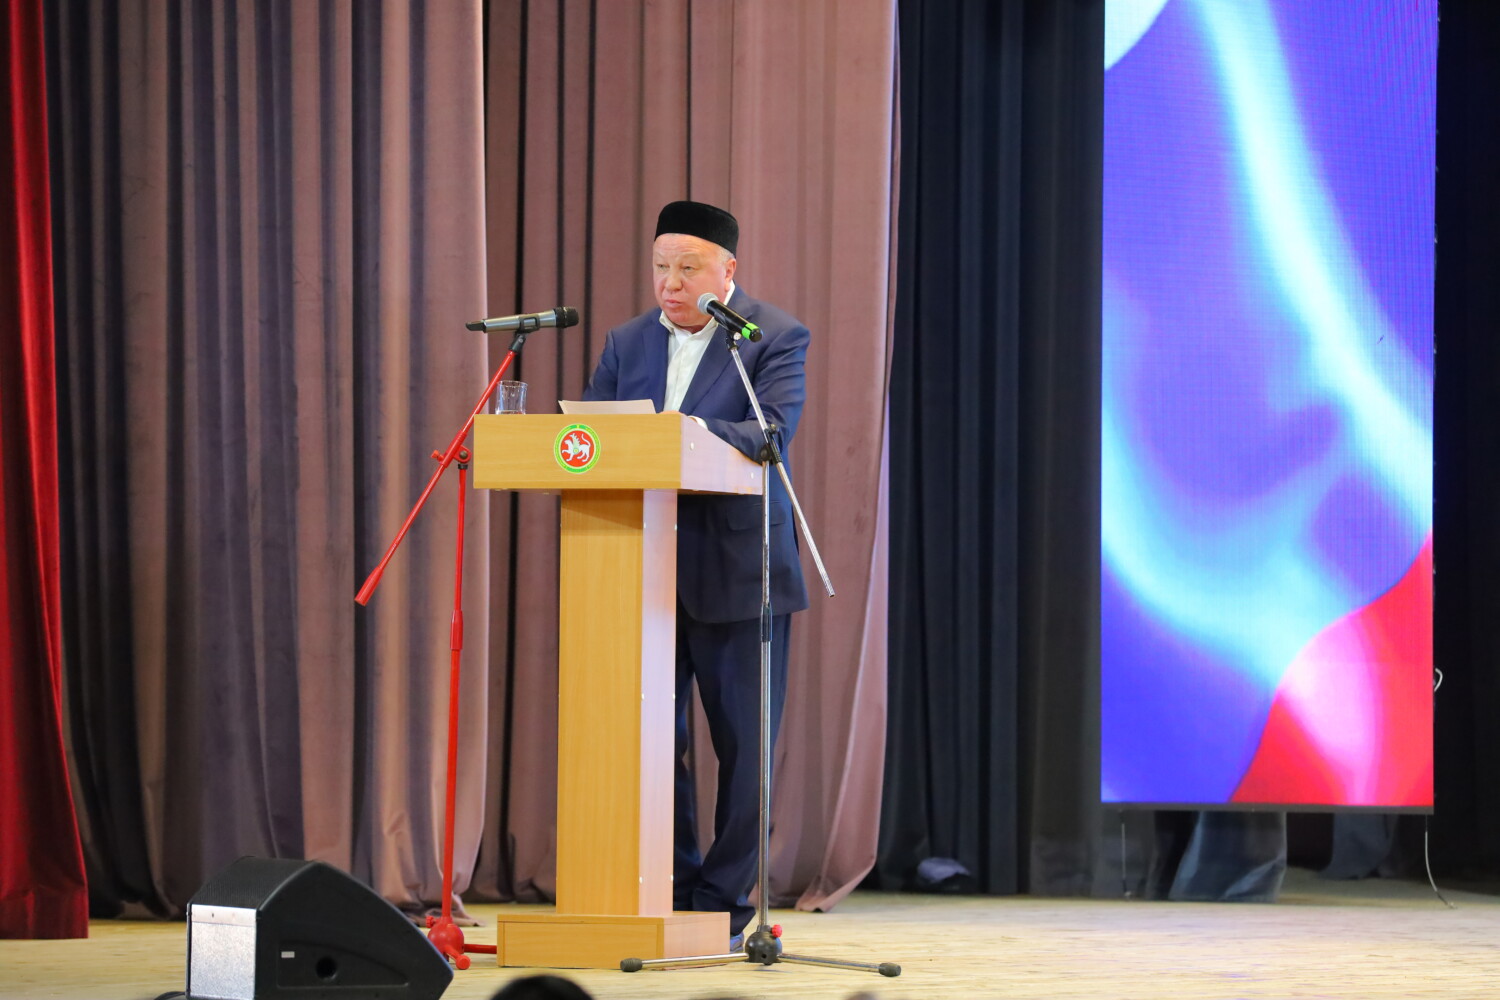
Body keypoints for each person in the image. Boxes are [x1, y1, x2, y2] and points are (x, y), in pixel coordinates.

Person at [583, 200, 809, 944]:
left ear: (727, 270)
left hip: (739, 571)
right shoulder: (626, 342)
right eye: (660, 267)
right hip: (640, 568)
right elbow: (593, 432)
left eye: (687, 268)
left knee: (744, 750)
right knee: (655, 741)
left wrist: (681, 433)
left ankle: (724, 900)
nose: (670, 284)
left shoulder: (770, 337)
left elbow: (769, 432)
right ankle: (673, 887)